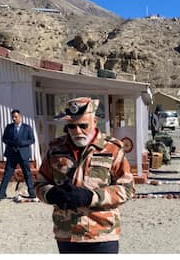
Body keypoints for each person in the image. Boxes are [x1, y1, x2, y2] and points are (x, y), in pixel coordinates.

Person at [35, 97, 134, 253]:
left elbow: (127, 189)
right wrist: (52, 194)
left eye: (83, 125)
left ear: (94, 122)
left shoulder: (112, 148)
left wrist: (90, 197)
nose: (77, 131)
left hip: (101, 234)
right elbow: (40, 184)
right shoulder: (56, 148)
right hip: (67, 233)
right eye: (72, 127)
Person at [0, 109, 37, 203]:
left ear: (20, 117)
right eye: (13, 117)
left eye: (16, 117)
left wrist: (22, 143)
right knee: (7, 175)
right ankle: (1, 194)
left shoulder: (27, 128)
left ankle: (32, 193)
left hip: (23, 154)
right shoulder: (9, 127)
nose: (14, 119)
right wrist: (12, 143)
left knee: (27, 174)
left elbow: (32, 140)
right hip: (12, 154)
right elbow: (4, 139)